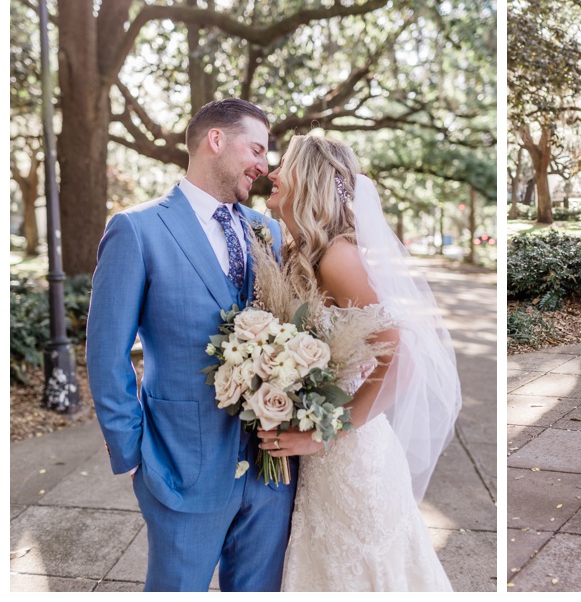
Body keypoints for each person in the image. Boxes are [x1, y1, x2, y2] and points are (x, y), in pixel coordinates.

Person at [87, 98, 292, 591]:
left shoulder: (269, 232)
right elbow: (105, 350)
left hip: (270, 474)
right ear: (215, 141)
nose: (264, 166)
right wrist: (133, 453)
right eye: (257, 148)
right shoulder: (137, 229)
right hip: (179, 467)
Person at [256, 135, 459, 590]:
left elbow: (401, 357)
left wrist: (329, 434)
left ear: (307, 179)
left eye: (282, 165)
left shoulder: (337, 259)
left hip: (351, 460)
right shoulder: (302, 254)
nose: (271, 173)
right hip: (323, 459)